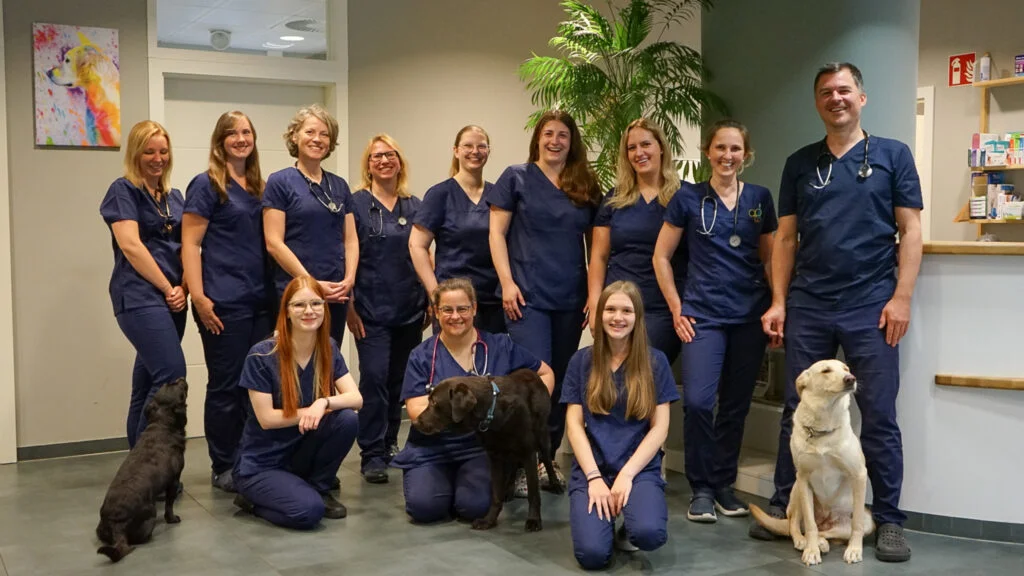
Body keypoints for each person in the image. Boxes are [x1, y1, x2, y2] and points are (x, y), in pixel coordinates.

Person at [756, 62, 922, 563]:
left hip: (872, 304)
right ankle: (788, 506)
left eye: (845, 90)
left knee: (879, 413)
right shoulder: (800, 163)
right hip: (809, 302)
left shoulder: (892, 155)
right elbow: (786, 238)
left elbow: (911, 230)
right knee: (797, 407)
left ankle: (888, 520)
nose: (836, 98)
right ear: (817, 102)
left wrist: (902, 297)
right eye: (826, 92)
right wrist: (779, 300)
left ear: (861, 98)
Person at [653, 119, 777, 523]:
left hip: (748, 316)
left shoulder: (759, 198)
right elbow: (661, 257)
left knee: (735, 405)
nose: (727, 155)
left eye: (735, 149)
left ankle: (723, 485)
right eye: (720, 147)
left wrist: (778, 304)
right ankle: (701, 488)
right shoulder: (688, 198)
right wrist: (677, 308)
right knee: (699, 401)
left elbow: (770, 259)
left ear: (746, 155)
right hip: (702, 315)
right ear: (707, 152)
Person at [488, 109, 601, 491]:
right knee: (535, 380)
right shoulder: (515, 177)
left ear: (572, 141)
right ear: (538, 138)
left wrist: (593, 295)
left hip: (569, 297)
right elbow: (496, 234)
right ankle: (523, 463)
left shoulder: (584, 183)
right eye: (549, 133)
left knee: (563, 378)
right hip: (526, 296)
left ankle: (547, 458)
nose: (555, 141)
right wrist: (507, 283)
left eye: (563, 135)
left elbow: (596, 246)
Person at [392, 277, 555, 523]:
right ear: (436, 312)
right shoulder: (422, 356)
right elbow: (416, 410)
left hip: (479, 448)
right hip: (432, 447)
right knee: (425, 508)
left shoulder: (499, 345)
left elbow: (545, 374)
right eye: (447, 309)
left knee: (475, 507)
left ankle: (465, 488)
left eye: (463, 309)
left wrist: (533, 414)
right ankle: (441, 485)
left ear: (474, 309)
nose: (455, 316)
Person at [561, 281, 679, 570]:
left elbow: (660, 428)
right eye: (610, 309)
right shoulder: (581, 361)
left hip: (638, 468)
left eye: (626, 311)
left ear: (638, 317)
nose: (618, 317)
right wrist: (593, 478)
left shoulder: (656, 362)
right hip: (594, 467)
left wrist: (627, 475)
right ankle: (603, 522)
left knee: (649, 534)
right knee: (592, 555)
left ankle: (631, 520)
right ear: (599, 314)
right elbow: (574, 425)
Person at [182, 111, 271, 493]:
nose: (241, 138)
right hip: (223, 302)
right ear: (220, 141)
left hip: (261, 302)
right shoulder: (207, 185)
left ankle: (252, 459)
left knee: (257, 386)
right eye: (232, 133)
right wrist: (199, 296)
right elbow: (190, 244)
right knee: (226, 386)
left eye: (246, 132)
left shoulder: (261, 187)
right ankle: (224, 464)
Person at [232, 276, 361, 530]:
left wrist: (322, 402)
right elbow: (267, 419)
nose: (309, 311)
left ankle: (319, 487)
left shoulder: (328, 347)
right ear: (287, 312)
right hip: (262, 464)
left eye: (316, 303)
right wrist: (310, 412)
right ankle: (251, 501)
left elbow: (356, 398)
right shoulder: (261, 355)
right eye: (299, 305)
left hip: (300, 453)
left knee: (347, 419)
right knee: (308, 512)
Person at [99, 120, 187, 450]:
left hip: (174, 298)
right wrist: (167, 287)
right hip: (139, 296)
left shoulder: (175, 197)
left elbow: (189, 246)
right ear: (135, 153)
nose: (158, 158)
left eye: (163, 151)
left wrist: (184, 288)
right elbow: (131, 246)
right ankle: (147, 464)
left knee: (146, 383)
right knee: (170, 376)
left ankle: (137, 465)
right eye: (149, 151)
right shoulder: (123, 190)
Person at [347, 134, 427, 484]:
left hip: (409, 307)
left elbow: (424, 253)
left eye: (390, 155)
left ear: (399, 161)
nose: (384, 161)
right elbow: (347, 253)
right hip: (370, 309)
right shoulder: (356, 204)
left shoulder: (414, 205)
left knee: (400, 380)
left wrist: (429, 299)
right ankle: (372, 453)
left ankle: (391, 442)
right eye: (376, 156)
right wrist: (349, 306)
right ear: (368, 165)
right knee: (375, 377)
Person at [588, 118, 686, 365]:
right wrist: (596, 305)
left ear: (661, 147)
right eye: (631, 148)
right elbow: (598, 256)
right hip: (619, 307)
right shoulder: (614, 198)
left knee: (648, 372)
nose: (639, 153)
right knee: (614, 375)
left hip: (662, 308)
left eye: (645, 144)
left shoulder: (685, 196)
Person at [263, 104, 358, 346]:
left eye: (324, 134)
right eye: (310, 132)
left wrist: (349, 279)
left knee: (329, 355)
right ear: (295, 136)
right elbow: (273, 242)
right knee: (295, 357)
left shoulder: (339, 185)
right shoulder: (280, 182)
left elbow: (350, 240)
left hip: (335, 292)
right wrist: (310, 284)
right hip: (296, 290)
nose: (317, 139)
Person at [409, 125, 505, 334]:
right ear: (456, 151)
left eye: (481, 146)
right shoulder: (440, 194)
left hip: (493, 301)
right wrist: (435, 293)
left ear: (488, 151)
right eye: (468, 146)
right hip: (453, 304)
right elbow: (416, 245)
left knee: (493, 355)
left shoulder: (498, 194)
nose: (475, 151)